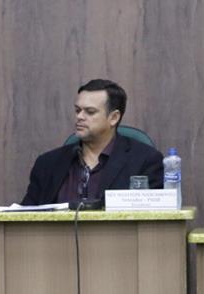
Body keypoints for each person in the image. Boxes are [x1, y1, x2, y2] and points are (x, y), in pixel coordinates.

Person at [21, 79, 164, 205]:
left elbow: (154, 218)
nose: (80, 117)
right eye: (77, 110)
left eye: (90, 112)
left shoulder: (145, 161)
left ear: (113, 118)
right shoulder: (48, 164)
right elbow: (25, 217)